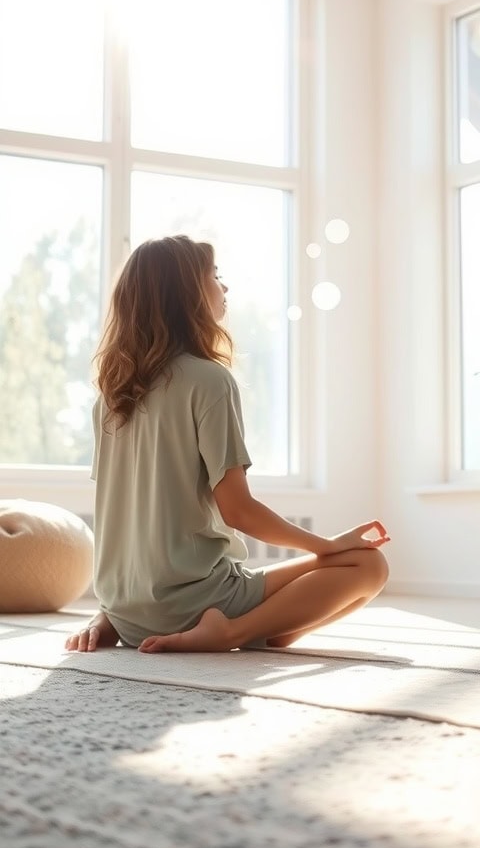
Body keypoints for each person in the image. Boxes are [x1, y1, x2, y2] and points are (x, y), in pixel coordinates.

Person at [65, 235, 390, 656]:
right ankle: (231, 633)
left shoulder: (110, 398)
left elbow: (120, 516)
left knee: (305, 584)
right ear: (188, 296)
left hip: (123, 613)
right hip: (198, 604)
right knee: (369, 566)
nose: (225, 288)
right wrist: (326, 545)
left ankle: (260, 628)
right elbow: (238, 510)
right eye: (215, 276)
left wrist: (108, 612)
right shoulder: (209, 381)